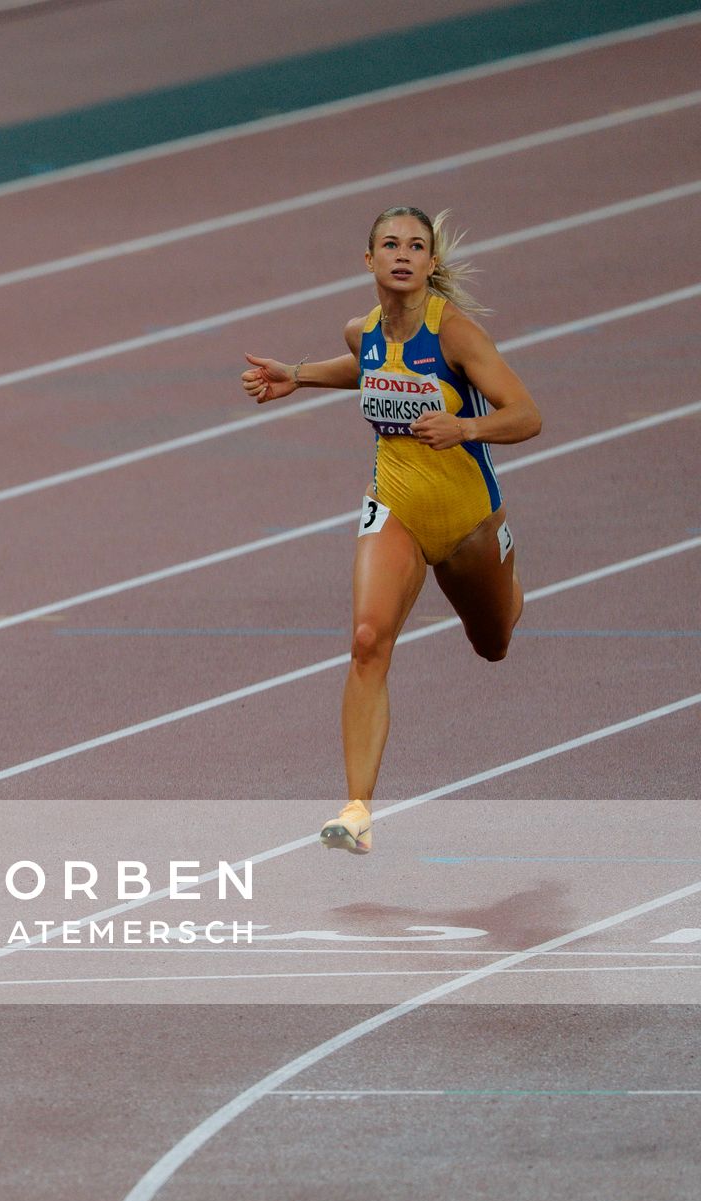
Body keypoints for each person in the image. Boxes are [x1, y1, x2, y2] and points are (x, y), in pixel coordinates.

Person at [241, 206, 540, 855]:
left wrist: (466, 427)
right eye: (389, 244)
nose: (401, 254)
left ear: (431, 264)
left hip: (468, 523)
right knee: (368, 639)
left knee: (493, 642)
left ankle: (510, 591)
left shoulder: (456, 337)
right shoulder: (363, 331)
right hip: (395, 505)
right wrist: (297, 375)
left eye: (415, 246)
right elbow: (368, 368)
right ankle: (356, 810)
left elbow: (527, 415)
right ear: (369, 260)